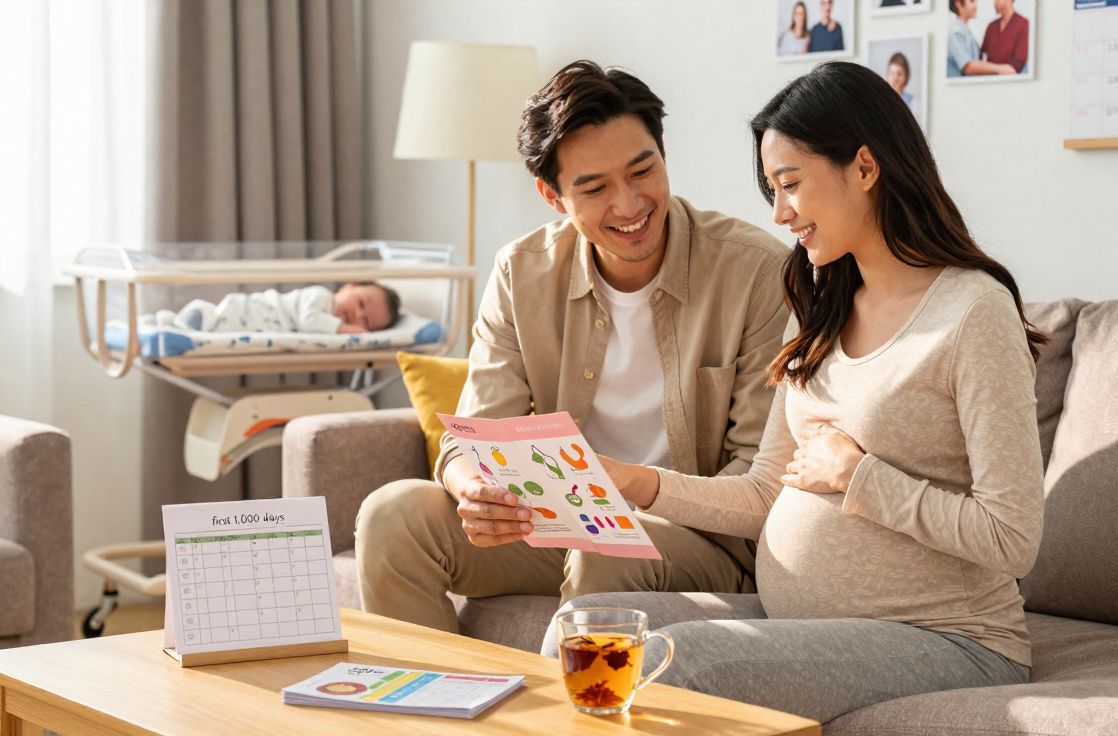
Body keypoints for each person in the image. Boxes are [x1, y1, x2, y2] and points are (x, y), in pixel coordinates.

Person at [553, 61, 1048, 723]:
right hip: (811, 621)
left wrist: (861, 476)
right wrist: (634, 482)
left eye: (790, 185)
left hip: (951, 637)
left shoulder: (971, 312)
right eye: (772, 191)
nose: (781, 213)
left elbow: (1013, 538)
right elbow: (765, 493)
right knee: (581, 629)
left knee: (682, 662)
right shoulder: (821, 303)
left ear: (865, 168)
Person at [353, 61, 790, 633]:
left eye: (643, 171)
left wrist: (628, 499)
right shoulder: (521, 271)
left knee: (606, 547)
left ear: (664, 156)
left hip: (699, 542)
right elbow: (470, 440)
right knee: (391, 515)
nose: (630, 205)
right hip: (560, 523)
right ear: (552, 196)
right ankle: (434, 712)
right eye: (595, 187)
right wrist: (476, 493)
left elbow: (759, 480)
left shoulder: (758, 272)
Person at [169, 282, 399, 334]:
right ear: (348, 287)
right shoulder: (321, 297)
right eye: (360, 303)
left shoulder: (327, 315)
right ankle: (188, 320)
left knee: (216, 329)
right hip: (252, 311)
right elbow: (308, 321)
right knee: (216, 321)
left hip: (256, 323)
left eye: (366, 322)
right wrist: (345, 330)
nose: (357, 314)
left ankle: (172, 323)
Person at [948, 0, 1017, 77]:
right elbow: (968, 67)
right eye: (972, 1)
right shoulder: (956, 32)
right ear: (958, 4)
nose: (976, 6)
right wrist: (1001, 69)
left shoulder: (965, 30)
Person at [980, 0, 1030, 74]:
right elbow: (982, 56)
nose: (995, 3)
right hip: (989, 79)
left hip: (1011, 80)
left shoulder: (1023, 24)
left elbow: (1019, 61)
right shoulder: (991, 27)